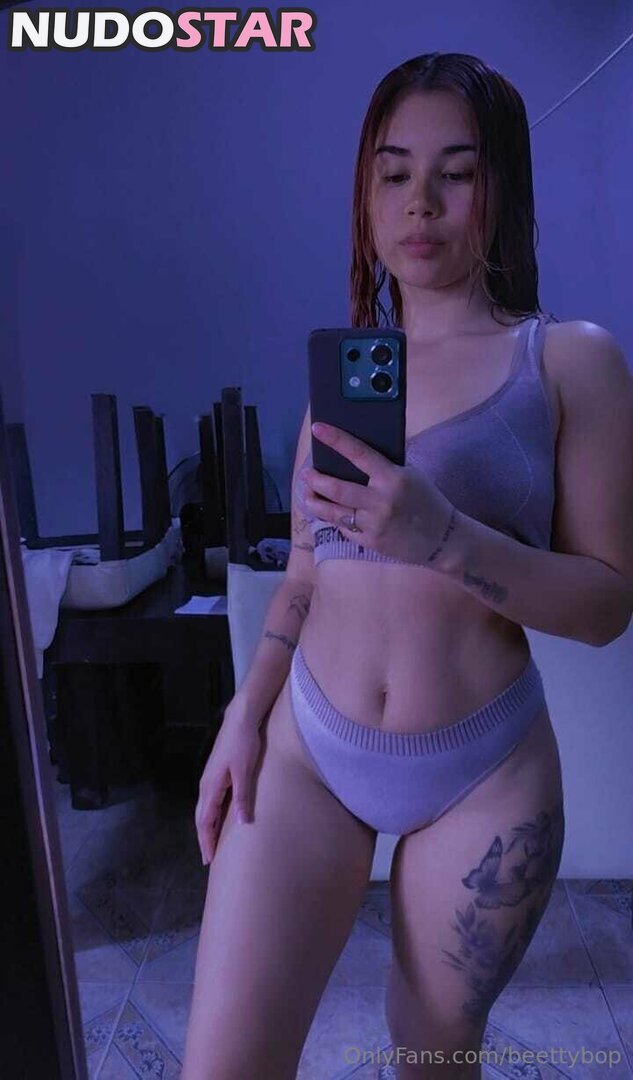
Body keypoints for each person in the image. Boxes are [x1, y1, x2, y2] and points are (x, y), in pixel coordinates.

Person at [181, 52, 633, 1080]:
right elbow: (306, 575)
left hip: (483, 773)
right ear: (366, 196)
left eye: (454, 173)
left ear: (501, 188)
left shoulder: (569, 360)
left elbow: (608, 602)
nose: (418, 202)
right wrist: (241, 715)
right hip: (308, 749)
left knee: (430, 1059)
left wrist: (444, 538)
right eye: (392, 173)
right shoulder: (345, 378)